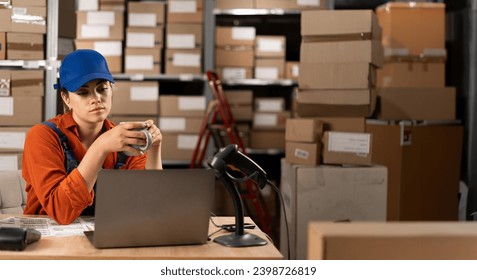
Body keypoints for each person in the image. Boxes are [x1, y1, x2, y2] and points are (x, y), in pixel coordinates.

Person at [22, 49, 162, 225]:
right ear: (66, 98)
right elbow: (61, 211)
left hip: (105, 233)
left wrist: (155, 148)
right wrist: (100, 147)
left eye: (102, 89)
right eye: (83, 92)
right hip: (49, 239)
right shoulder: (43, 136)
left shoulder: (122, 138)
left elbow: (151, 204)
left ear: (111, 89)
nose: (96, 98)